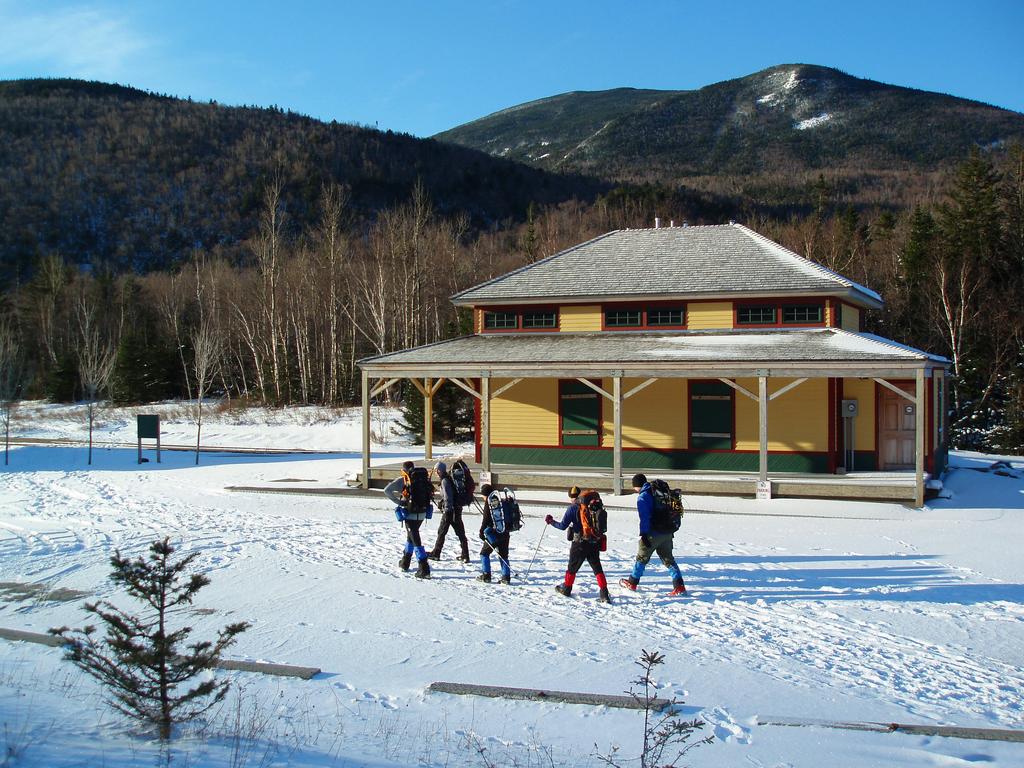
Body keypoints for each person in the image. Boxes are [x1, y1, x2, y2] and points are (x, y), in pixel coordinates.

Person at [619, 473, 686, 595]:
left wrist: (644, 534)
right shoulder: (658, 492)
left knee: (641, 558)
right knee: (669, 559)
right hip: (667, 531)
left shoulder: (643, 497)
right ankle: (679, 585)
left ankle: (632, 582)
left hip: (653, 533)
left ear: (637, 485)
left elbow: (645, 518)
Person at [545, 487, 611, 603]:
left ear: (570, 497)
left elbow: (562, 526)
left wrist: (551, 521)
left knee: (572, 567)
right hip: (594, 540)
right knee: (597, 567)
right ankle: (604, 593)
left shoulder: (572, 508)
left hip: (579, 543)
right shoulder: (591, 506)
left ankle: (567, 588)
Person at [383, 460, 433, 579]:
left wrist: (399, 502)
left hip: (409, 513)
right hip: (422, 513)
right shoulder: (422, 478)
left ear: (404, 470)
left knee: (415, 538)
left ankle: (424, 568)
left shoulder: (404, 480)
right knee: (411, 537)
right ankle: (405, 562)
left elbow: (387, 490)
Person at [427, 461, 470, 562]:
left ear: (439, 470)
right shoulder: (449, 479)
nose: (436, 473)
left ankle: (436, 553)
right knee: (460, 533)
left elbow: (448, 496)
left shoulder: (445, 481)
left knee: (441, 532)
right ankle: (465, 555)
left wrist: (447, 510)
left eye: (437, 470)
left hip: (450, 511)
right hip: (456, 509)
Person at [476, 483, 512, 584]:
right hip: (505, 532)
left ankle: (486, 575)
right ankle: (506, 577)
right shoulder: (501, 501)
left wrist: (481, 532)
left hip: (493, 533)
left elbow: (486, 519)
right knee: (504, 555)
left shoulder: (490, 502)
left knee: (484, 553)